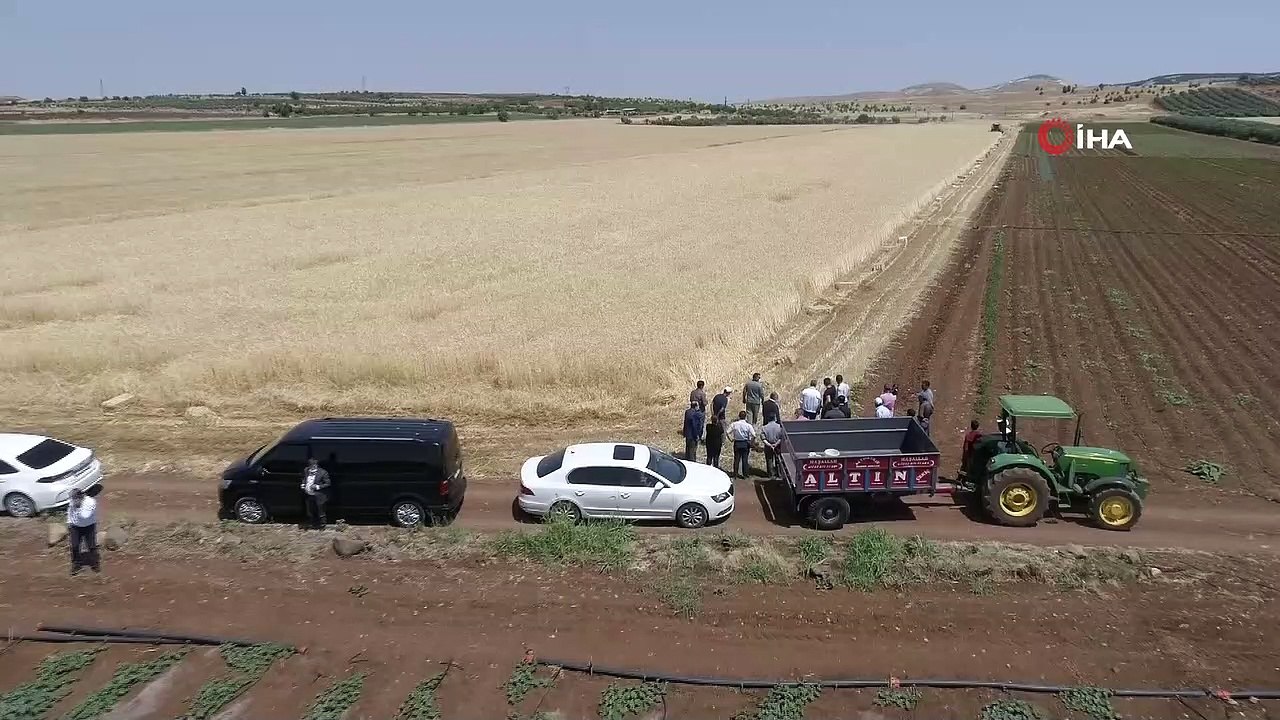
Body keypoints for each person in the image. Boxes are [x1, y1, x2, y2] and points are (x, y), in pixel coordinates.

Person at [66, 488, 99, 575]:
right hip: (75, 527)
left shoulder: (90, 502)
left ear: (81, 497)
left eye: (75, 499)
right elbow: (69, 512)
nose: (72, 501)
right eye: (72, 499)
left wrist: (78, 507)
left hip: (89, 526)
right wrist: (69, 523)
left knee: (91, 546)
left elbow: (85, 516)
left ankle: (95, 564)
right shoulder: (73, 500)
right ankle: (76, 565)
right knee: (74, 546)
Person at [301, 457, 331, 529]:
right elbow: (304, 479)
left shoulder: (323, 472)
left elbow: (328, 483)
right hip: (308, 494)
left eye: (313, 466)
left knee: (320, 510)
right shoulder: (306, 470)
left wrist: (318, 486)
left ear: (316, 465)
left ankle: (322, 525)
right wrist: (303, 484)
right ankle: (312, 524)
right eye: (310, 466)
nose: (311, 468)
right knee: (310, 510)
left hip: (319, 495)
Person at [728, 410, 757, 479]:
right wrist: (751, 442)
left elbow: (727, 432)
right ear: (745, 417)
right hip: (745, 442)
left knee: (736, 459)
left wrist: (731, 439)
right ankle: (745, 475)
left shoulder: (734, 424)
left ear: (739, 416)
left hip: (737, 442)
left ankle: (735, 474)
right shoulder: (748, 425)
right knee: (745, 459)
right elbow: (754, 435)